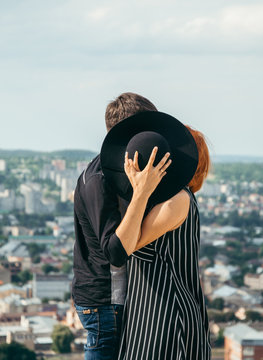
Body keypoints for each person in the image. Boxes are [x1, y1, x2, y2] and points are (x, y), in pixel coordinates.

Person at [100, 114, 211, 359]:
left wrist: (140, 191)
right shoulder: (164, 200)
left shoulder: (178, 201)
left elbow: (122, 248)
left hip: (167, 315)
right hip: (146, 311)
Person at [72, 93, 171, 360]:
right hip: (106, 303)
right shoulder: (98, 180)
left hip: (118, 301)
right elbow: (115, 251)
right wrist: (141, 193)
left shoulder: (123, 173)